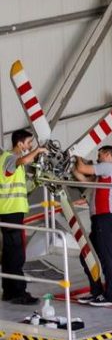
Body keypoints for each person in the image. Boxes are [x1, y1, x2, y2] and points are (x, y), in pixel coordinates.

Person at [71, 145, 112, 306]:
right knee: (86, 257)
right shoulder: (103, 175)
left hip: (105, 219)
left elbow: (83, 168)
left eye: (99, 155)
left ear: (108, 155)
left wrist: (76, 154)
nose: (98, 158)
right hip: (100, 220)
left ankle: (109, 296)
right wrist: (72, 163)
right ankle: (97, 292)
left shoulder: (109, 167)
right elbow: (83, 177)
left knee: (106, 258)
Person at [0, 129, 45, 305]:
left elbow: (22, 187)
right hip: (10, 212)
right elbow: (25, 159)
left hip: (10, 211)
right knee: (17, 254)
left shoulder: (12, 164)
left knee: (10, 254)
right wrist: (39, 151)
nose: (30, 146)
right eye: (28, 143)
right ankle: (19, 292)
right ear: (19, 144)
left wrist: (37, 180)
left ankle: (9, 291)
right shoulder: (10, 158)